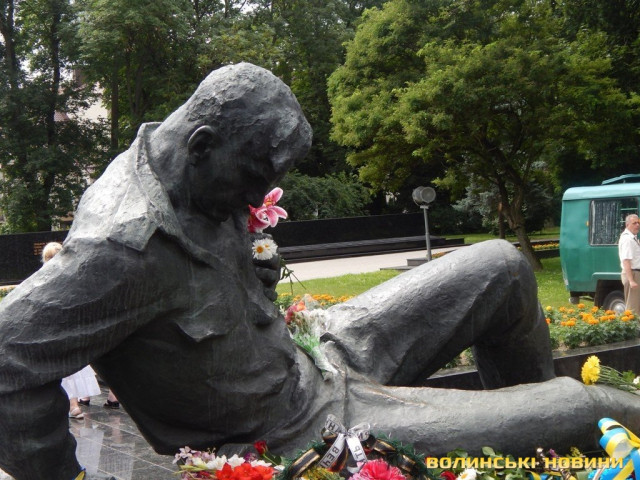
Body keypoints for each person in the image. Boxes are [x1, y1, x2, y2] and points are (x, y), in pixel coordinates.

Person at [0, 63, 639, 480]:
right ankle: (553, 429)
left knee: (503, 266)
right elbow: (6, 357)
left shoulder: (174, 158)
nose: (259, 199)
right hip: (296, 427)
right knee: (587, 408)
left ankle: (535, 454)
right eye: (255, 179)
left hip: (322, 350)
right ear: (201, 147)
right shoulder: (123, 248)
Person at [42, 243, 101, 420]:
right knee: (71, 368)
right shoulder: (73, 277)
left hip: (55, 330)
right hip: (71, 329)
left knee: (64, 370)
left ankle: (72, 405)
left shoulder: (45, 279)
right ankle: (73, 404)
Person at [618, 213, 640, 313]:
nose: (637, 225)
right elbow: (626, 260)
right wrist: (631, 280)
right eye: (634, 223)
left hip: (635, 273)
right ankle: (630, 323)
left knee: (636, 306)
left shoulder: (632, 238)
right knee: (633, 308)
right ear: (627, 225)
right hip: (633, 273)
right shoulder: (627, 239)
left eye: (638, 222)